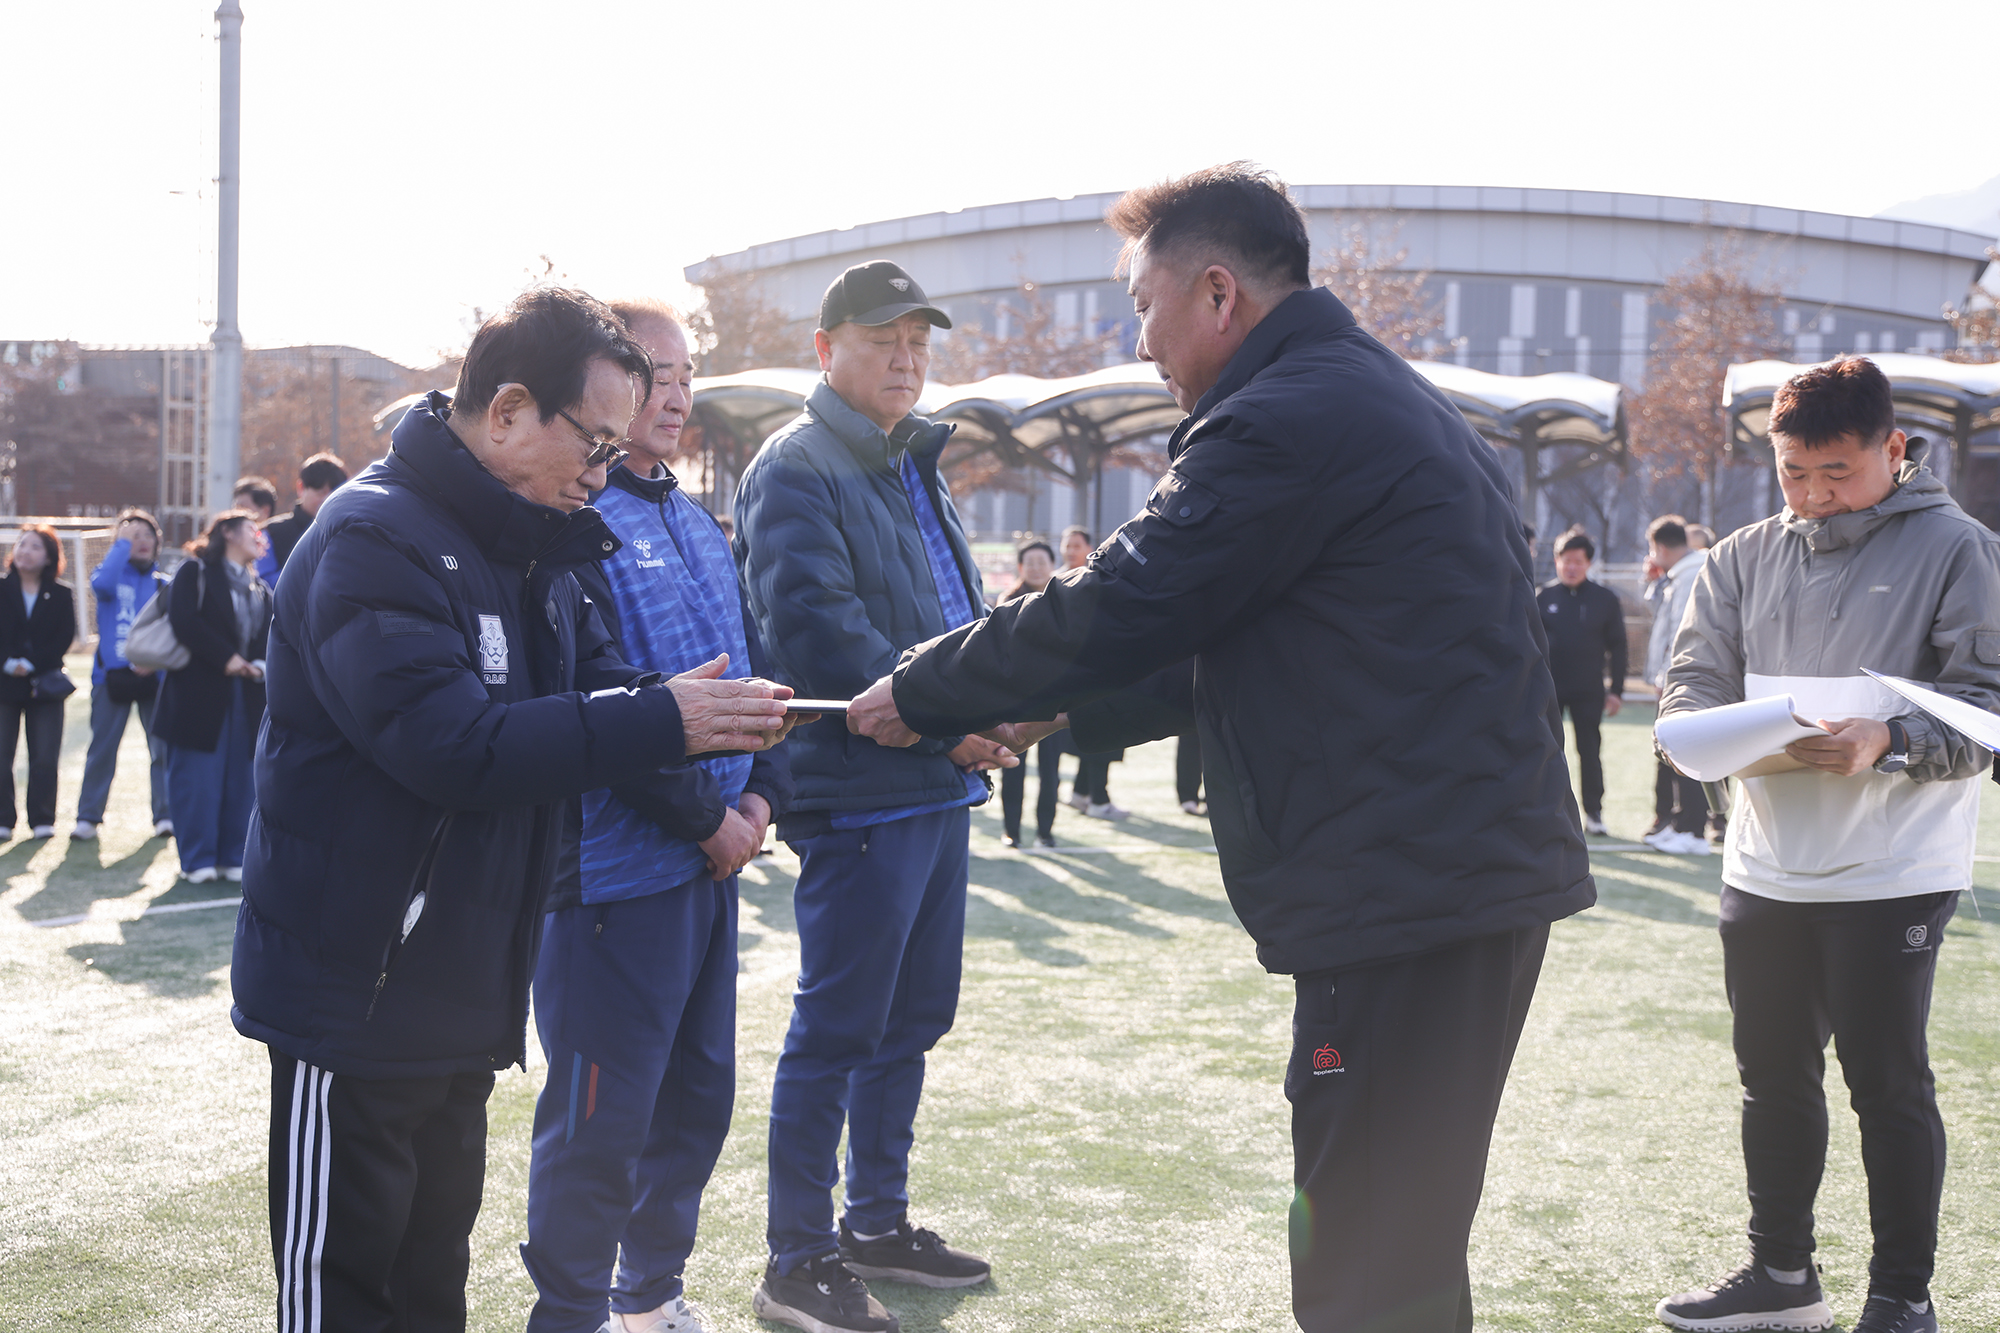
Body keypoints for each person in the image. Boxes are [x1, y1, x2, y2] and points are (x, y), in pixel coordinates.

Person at [849, 162, 1593, 1333]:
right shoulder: (1357, 394)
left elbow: (1127, 600)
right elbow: (1224, 636)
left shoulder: (1285, 416)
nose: (1135, 338)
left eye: (1138, 304)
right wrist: (1060, 714)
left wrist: (920, 686)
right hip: (1446, 877)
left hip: (1406, 888)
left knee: (1364, 1263)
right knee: (1394, 1245)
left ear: (1212, 294)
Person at [229, 287, 800, 1333]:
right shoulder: (373, 537)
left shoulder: (533, 541)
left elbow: (601, 684)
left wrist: (743, 722)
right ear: (505, 412)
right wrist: (665, 721)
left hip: (460, 984)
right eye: (592, 446)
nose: (602, 475)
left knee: (428, 1281)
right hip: (351, 989)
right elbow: (451, 748)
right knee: (343, 1293)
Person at [1654, 356, 2000, 1333]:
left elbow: (1985, 705)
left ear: (1892, 448)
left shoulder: (1959, 549)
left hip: (1895, 871)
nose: (1810, 495)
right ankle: (1779, 1276)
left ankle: (1899, 1297)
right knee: (1769, 1078)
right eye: (1791, 473)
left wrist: (1885, 739)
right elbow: (1689, 683)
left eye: (1834, 472)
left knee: (1885, 1084)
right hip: (1762, 866)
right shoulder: (1736, 557)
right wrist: (1706, 735)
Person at [734, 260, 1014, 1333]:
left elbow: (963, 615)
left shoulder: (911, 460)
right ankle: (795, 1258)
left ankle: (874, 1221)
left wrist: (992, 703)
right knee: (838, 1028)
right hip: (862, 791)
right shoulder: (796, 465)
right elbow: (819, 632)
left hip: (933, 787)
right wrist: (958, 722)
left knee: (910, 1019)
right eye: (881, 337)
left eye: (919, 341)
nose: (906, 357)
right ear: (825, 348)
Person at [519, 300, 796, 1333]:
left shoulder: (692, 519)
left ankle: (650, 1298)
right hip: (612, 882)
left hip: (710, 870)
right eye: (654, 373)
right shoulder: (568, 525)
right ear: (602, 385)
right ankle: (572, 1312)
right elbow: (602, 703)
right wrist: (701, 819)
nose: (674, 393)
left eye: (686, 373)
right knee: (599, 1121)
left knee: (694, 1103)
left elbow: (757, 682)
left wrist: (763, 798)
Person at [152, 510, 270, 882]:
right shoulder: (195, 571)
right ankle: (198, 859)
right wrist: (227, 658)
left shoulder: (260, 587)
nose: (259, 536)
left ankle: (233, 855)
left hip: (247, 694)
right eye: (251, 528)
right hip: (198, 693)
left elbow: (269, 638)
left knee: (242, 776)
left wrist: (259, 666)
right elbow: (184, 620)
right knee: (197, 777)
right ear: (227, 533)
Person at [74, 508, 172, 841]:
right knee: (102, 749)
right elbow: (101, 584)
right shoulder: (109, 576)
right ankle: (88, 817)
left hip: (155, 678)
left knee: (161, 749)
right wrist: (121, 543)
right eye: (133, 536)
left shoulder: (165, 584)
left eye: (148, 535)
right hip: (110, 680)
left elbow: (175, 632)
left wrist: (155, 662)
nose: (141, 542)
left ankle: (165, 815)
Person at [1537, 526, 1627, 835]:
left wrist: (1615, 690)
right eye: (1566, 560)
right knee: (1547, 752)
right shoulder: (1542, 597)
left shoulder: (1605, 599)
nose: (1572, 567)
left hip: (1589, 689)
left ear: (1588, 563)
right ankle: (1548, 812)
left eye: (1578, 561)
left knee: (1589, 751)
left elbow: (1618, 647)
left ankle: (1594, 813)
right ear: (1556, 560)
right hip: (1549, 691)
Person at [0, 524, 77, 839]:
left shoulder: (61, 594)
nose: (25, 551)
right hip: (4, 683)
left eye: (34, 546)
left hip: (45, 684)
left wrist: (32, 663)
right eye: (22, 545)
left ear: (49, 556)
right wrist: (8, 662)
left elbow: (63, 636)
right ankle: (4, 820)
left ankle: (43, 819)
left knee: (45, 754)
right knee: (2, 754)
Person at [1642, 515, 1710, 854]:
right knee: (1675, 751)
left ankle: (1693, 831)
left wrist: (1666, 677)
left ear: (1661, 547)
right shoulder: (1680, 575)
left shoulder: (1689, 577)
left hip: (1685, 681)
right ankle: (1684, 825)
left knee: (1687, 750)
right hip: (1682, 679)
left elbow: (1682, 636)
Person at [1053, 527, 1127, 820]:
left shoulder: (1098, 577)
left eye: (1076, 545)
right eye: (1066, 545)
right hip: (1074, 675)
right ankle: (1098, 798)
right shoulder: (1058, 579)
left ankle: (1082, 793)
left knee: (1094, 735)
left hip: (1097, 670)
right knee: (1098, 732)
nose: (1070, 550)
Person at [995, 540, 1061, 847]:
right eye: (1029, 562)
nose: (1036, 567)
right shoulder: (1007, 601)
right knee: (1013, 767)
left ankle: (1045, 832)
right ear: (1020, 567)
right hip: (1016, 700)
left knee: (1051, 770)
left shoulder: (1066, 595)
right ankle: (1012, 831)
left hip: (1056, 699)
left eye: (1041, 561)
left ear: (1052, 563)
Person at [260, 451, 350, 575]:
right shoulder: (272, 532)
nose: (327, 500)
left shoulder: (347, 533)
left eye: (334, 494)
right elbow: (264, 579)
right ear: (301, 488)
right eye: (321, 493)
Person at [234, 476, 282, 582]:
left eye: (242, 507)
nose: (236, 513)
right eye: (235, 507)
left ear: (265, 510)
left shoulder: (264, 539)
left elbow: (266, 580)